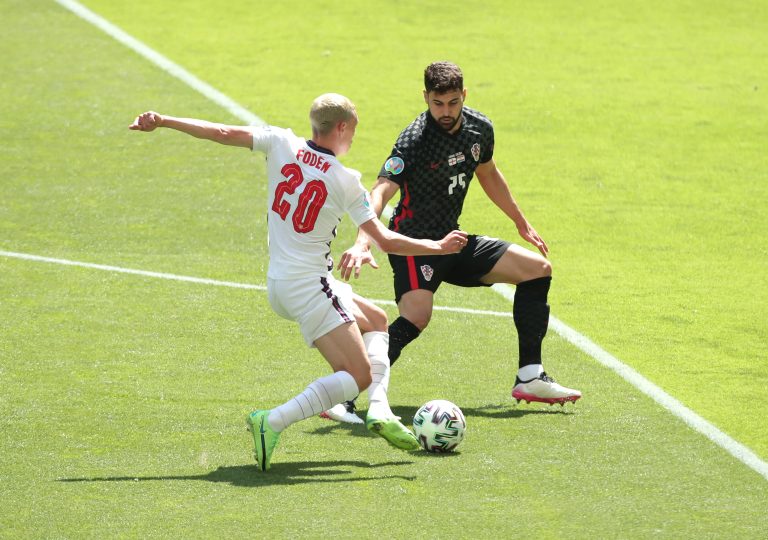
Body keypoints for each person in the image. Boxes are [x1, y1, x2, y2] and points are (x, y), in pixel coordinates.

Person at [129, 93, 468, 471]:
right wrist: (438, 246)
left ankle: (380, 410)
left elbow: (222, 132)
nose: (353, 138)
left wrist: (164, 120)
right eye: (353, 131)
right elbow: (386, 240)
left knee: (376, 320)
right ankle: (272, 421)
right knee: (356, 376)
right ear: (341, 128)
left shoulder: (280, 142)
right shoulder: (345, 181)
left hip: (282, 281)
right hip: (309, 287)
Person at [337, 62, 581, 417]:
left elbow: (488, 173)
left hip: (452, 241)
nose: (446, 112)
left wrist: (520, 221)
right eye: (438, 104)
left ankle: (529, 376)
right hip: (414, 244)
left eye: (453, 102)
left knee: (537, 269)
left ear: (464, 95)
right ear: (426, 98)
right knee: (417, 317)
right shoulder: (414, 140)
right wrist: (364, 241)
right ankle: (342, 392)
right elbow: (380, 192)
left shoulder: (479, 129)